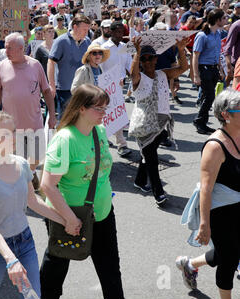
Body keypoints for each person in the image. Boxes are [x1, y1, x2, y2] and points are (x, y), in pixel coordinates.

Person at [39, 84, 124, 299]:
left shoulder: (100, 131)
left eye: (106, 108)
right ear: (81, 109)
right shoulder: (65, 140)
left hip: (103, 214)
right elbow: (47, 185)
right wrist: (69, 219)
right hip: (69, 219)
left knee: (111, 274)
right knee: (53, 278)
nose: (104, 114)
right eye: (99, 109)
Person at [0, 111, 67, 299]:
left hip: (25, 242)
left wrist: (65, 220)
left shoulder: (22, 164)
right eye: (6, 135)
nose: (13, 138)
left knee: (33, 297)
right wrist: (10, 259)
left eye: (14, 132)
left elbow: (33, 201)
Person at [176, 89, 240, 299]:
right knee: (229, 258)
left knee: (229, 252)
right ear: (226, 115)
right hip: (221, 211)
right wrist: (204, 224)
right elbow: (206, 188)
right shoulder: (215, 146)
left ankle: (190, 264)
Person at [129, 37, 189, 206]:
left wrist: (180, 49)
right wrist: (137, 52)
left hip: (161, 123)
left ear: (156, 58)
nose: (148, 61)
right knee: (152, 159)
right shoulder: (138, 78)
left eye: (151, 57)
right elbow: (133, 73)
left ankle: (140, 180)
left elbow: (184, 68)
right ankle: (158, 193)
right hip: (145, 126)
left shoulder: (163, 73)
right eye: (144, 58)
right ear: (140, 61)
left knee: (148, 154)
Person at [0, 32, 56, 188]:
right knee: (16, 162)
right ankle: (22, 190)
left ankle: (29, 174)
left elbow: (46, 91)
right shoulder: (1, 67)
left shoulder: (35, 65)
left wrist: (52, 116)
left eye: (9, 48)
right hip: (12, 128)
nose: (5, 51)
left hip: (34, 123)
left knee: (37, 157)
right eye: (5, 48)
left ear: (21, 48)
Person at [48, 14, 92, 120]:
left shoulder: (87, 42)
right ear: (75, 27)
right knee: (66, 120)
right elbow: (51, 62)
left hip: (83, 89)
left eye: (88, 30)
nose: (87, 32)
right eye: (84, 29)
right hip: (65, 89)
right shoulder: (61, 41)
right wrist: (52, 85)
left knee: (81, 120)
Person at [100, 21, 133, 157]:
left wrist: (134, 78)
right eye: (118, 32)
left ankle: (120, 143)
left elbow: (129, 65)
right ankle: (114, 142)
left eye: (122, 32)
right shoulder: (104, 48)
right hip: (106, 87)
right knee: (108, 114)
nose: (121, 34)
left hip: (120, 86)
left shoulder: (126, 46)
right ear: (111, 32)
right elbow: (100, 68)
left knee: (118, 113)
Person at [192, 9, 227, 134]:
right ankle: (199, 120)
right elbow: (195, 56)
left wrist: (221, 69)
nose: (226, 20)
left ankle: (203, 122)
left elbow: (217, 54)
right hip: (204, 68)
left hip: (213, 68)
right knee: (209, 96)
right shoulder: (202, 36)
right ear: (217, 20)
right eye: (223, 18)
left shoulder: (217, 34)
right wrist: (195, 75)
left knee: (209, 97)